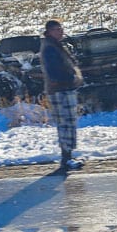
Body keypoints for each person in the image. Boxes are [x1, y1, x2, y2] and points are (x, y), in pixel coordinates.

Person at [40, 19, 84, 170]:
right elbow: (54, 72)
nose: (61, 31)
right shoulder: (50, 48)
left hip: (64, 89)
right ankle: (66, 158)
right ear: (50, 31)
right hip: (60, 91)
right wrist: (71, 78)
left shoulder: (56, 45)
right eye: (57, 29)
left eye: (61, 28)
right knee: (65, 123)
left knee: (69, 122)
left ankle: (68, 155)